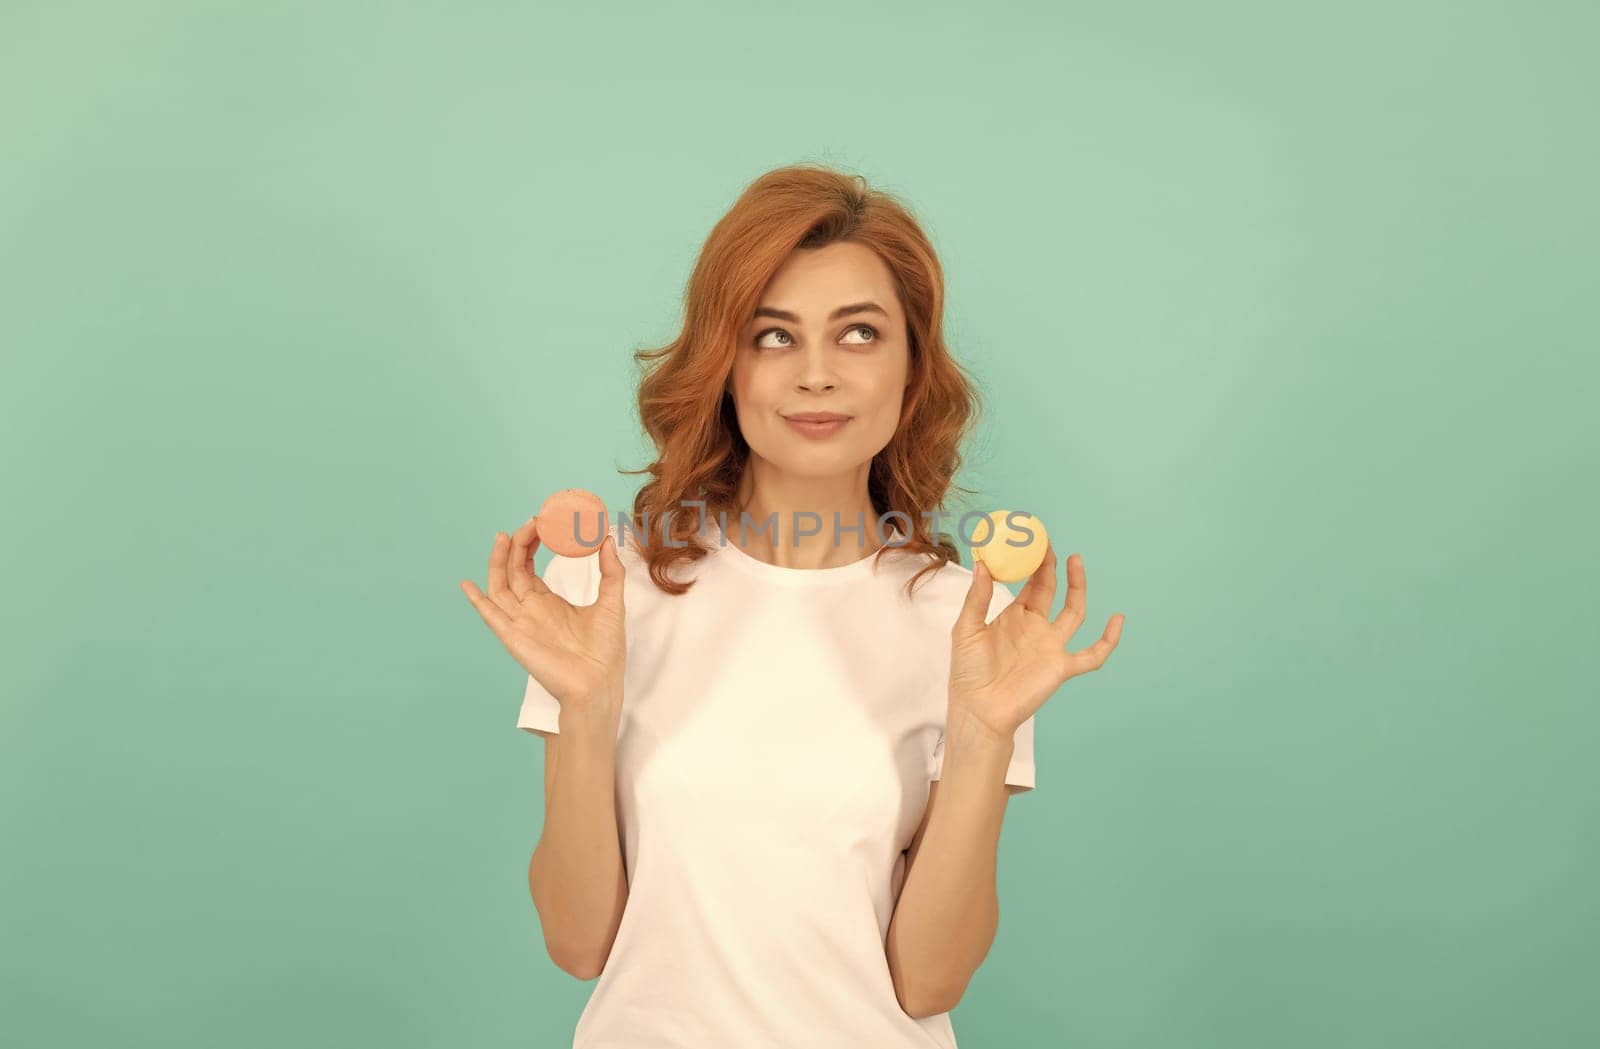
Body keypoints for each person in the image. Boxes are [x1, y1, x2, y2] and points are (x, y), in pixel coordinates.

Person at [460, 164, 1124, 1048]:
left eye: (859, 333)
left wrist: (984, 730)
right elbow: (577, 942)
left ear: (912, 367)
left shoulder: (972, 624)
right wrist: (585, 706)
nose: (817, 374)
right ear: (726, 367)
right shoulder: (611, 588)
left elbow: (929, 978)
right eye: (774, 337)